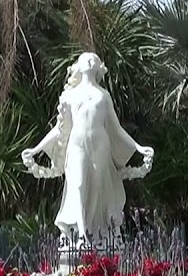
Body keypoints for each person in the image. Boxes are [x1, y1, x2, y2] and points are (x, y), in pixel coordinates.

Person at [21, 52, 155, 249]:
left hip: (101, 145)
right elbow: (59, 130)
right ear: (78, 66)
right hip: (77, 144)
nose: (90, 60)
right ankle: (82, 233)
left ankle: (94, 232)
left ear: (99, 67)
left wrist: (137, 147)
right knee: (79, 183)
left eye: (93, 58)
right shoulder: (69, 96)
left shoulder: (104, 95)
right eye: (85, 58)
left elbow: (116, 129)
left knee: (98, 186)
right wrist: (36, 149)